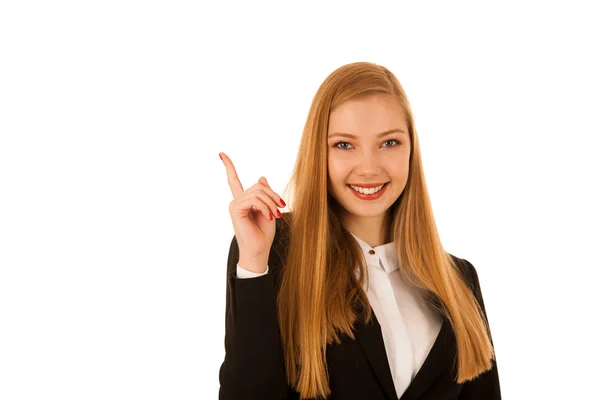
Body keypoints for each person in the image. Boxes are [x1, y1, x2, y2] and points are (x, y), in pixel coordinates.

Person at [218, 61, 501, 400]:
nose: (368, 168)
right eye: (344, 145)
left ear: (412, 150)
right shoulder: (274, 252)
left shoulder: (459, 278)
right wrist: (252, 263)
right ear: (317, 152)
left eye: (389, 143)